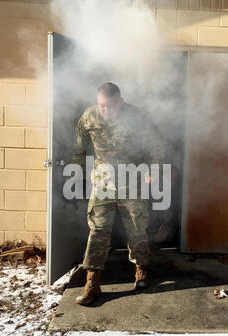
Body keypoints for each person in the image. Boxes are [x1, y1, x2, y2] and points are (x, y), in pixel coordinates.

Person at [68, 82, 160, 306]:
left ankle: (141, 271)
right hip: (103, 182)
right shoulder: (89, 117)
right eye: (101, 106)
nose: (105, 111)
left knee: (137, 228)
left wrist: (153, 168)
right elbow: (78, 150)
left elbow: (155, 145)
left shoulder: (138, 117)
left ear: (120, 101)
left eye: (110, 106)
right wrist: (74, 177)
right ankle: (93, 282)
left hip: (133, 180)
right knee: (97, 230)